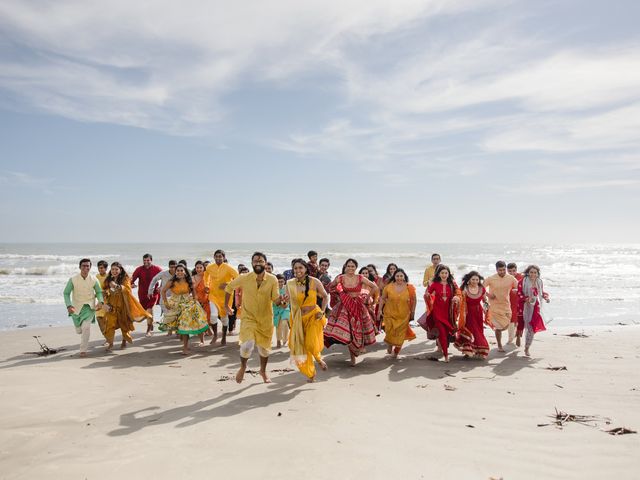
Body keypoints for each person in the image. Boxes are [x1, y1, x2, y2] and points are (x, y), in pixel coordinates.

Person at [224, 252, 285, 383]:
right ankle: (243, 366)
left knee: (264, 349)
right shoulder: (244, 277)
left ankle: (262, 371)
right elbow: (229, 287)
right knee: (247, 345)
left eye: (261, 261)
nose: (258, 263)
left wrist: (283, 302)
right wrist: (226, 306)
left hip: (265, 319)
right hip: (248, 317)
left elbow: (275, 299)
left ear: (265, 263)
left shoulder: (272, 279)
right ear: (251, 263)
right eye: (255, 261)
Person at [323, 258, 379, 366]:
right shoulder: (341, 278)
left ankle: (356, 351)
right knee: (348, 332)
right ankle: (353, 356)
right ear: (345, 266)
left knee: (357, 330)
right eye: (349, 266)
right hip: (344, 308)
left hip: (358, 306)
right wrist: (338, 295)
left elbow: (374, 287)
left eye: (353, 266)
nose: (350, 268)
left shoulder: (360, 277)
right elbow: (330, 287)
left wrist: (367, 297)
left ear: (356, 267)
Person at [287, 258, 329, 382]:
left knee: (311, 343)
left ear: (306, 269)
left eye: (300, 267)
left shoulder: (314, 282)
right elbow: (285, 302)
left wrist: (322, 311)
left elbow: (326, 296)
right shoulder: (290, 284)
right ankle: (311, 374)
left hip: (313, 316)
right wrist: (283, 301)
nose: (298, 270)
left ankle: (319, 359)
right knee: (300, 347)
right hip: (297, 318)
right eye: (295, 268)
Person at [160, 264, 209, 355]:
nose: (179, 272)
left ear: (185, 272)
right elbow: (163, 291)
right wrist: (166, 303)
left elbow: (194, 292)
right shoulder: (172, 281)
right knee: (182, 325)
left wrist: (195, 301)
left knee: (198, 321)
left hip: (188, 303)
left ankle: (199, 341)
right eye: (178, 270)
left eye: (181, 270)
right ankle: (185, 346)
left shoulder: (189, 281)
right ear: (175, 272)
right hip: (176, 303)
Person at [102, 262, 151, 351]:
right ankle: (110, 343)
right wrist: (105, 293)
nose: (114, 271)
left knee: (124, 324)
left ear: (120, 270)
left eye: (116, 269)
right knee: (109, 324)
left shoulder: (125, 279)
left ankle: (124, 341)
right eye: (112, 269)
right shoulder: (108, 279)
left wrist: (118, 286)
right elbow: (104, 289)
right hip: (111, 306)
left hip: (123, 305)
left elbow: (128, 290)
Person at [418, 264, 461, 362]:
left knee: (446, 333)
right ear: (438, 274)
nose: (444, 274)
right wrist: (427, 296)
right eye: (442, 273)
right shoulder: (435, 284)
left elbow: (458, 293)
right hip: (437, 312)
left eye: (446, 273)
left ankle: (444, 351)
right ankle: (446, 355)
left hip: (448, 314)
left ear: (449, 274)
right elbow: (427, 295)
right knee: (442, 333)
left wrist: (457, 298)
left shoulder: (452, 284)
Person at [63, 258, 104, 357]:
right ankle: (78, 327)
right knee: (79, 330)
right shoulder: (73, 279)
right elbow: (66, 293)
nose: (86, 268)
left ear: (90, 267)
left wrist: (100, 301)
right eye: (83, 266)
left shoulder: (94, 279)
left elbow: (98, 292)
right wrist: (69, 305)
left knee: (86, 328)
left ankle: (83, 350)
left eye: (87, 266)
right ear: (80, 267)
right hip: (76, 308)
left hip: (89, 308)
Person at [378, 268, 416, 358]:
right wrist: (379, 309)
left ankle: (396, 352)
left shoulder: (409, 287)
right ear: (394, 277)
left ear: (404, 277)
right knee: (389, 331)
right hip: (389, 313)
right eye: (397, 276)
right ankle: (390, 344)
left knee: (400, 335)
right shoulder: (388, 287)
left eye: (401, 276)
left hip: (403, 315)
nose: (399, 278)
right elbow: (383, 299)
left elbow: (414, 300)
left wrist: (413, 312)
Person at [204, 249, 239, 346]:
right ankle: (215, 335)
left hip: (226, 296)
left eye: (220, 256)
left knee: (224, 318)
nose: (218, 258)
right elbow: (206, 275)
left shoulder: (229, 268)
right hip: (213, 295)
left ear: (224, 258)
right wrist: (206, 285)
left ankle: (223, 337)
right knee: (213, 315)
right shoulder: (210, 267)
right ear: (214, 257)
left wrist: (228, 284)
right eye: (216, 256)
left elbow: (238, 278)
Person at [454, 271, 490, 359]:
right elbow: (459, 298)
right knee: (469, 330)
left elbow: (484, 300)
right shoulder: (464, 289)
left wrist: (487, 308)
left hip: (478, 313)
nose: (475, 281)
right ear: (468, 280)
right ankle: (468, 351)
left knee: (478, 330)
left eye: (477, 279)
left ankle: (478, 350)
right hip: (467, 313)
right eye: (473, 279)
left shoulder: (481, 288)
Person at [484, 261, 518, 352]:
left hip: (506, 305)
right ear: (496, 270)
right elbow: (481, 287)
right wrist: (488, 295)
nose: (502, 272)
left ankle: (500, 332)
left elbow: (518, 287)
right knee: (499, 328)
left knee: (506, 326)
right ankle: (499, 345)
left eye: (503, 270)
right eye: (500, 270)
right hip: (494, 306)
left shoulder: (510, 278)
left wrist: (516, 290)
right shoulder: (491, 278)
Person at [517, 265, 550, 357]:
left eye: (535, 272)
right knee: (521, 325)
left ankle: (527, 347)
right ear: (528, 272)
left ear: (537, 273)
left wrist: (546, 297)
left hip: (536, 307)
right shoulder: (522, 281)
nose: (533, 274)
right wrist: (527, 299)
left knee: (531, 328)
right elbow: (519, 294)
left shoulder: (539, 282)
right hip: (524, 306)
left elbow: (542, 293)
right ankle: (518, 336)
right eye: (531, 272)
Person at [131, 254, 162, 336]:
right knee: (146, 311)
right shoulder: (139, 269)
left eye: (148, 260)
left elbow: (164, 277)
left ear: (151, 260)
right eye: (144, 260)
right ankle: (151, 323)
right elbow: (132, 279)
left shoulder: (157, 269)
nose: (146, 262)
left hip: (153, 293)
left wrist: (161, 286)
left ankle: (148, 330)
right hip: (142, 294)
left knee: (149, 309)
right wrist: (132, 284)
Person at [148, 260, 178, 335]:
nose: (173, 269)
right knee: (167, 314)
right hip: (164, 297)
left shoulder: (179, 274)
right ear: (169, 267)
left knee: (176, 314)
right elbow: (154, 279)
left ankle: (177, 331)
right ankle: (170, 330)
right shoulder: (164, 273)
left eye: (174, 267)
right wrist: (150, 290)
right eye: (171, 267)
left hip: (175, 298)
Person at [192, 260, 212, 340]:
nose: (199, 269)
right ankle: (202, 335)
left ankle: (208, 329)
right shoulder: (193, 277)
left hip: (207, 299)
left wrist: (208, 289)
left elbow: (210, 286)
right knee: (199, 318)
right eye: (197, 267)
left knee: (208, 316)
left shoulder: (207, 276)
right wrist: (199, 280)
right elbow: (192, 289)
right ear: (195, 268)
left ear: (204, 268)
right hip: (197, 299)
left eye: (201, 267)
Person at [507, 263, 525, 346]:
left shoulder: (521, 277)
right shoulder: (506, 278)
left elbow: (525, 288)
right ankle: (510, 338)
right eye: (510, 271)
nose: (512, 273)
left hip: (519, 301)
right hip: (509, 302)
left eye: (514, 271)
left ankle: (518, 335)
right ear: (507, 271)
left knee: (518, 320)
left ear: (516, 270)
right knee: (510, 320)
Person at [273, 274, 290, 348]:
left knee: (284, 323)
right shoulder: (274, 289)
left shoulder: (287, 288)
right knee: (278, 325)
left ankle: (285, 339)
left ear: (284, 281)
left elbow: (289, 298)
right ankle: (278, 340)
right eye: (278, 282)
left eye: (282, 281)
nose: (280, 283)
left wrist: (285, 304)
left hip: (285, 308)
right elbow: (273, 300)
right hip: (276, 308)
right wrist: (279, 303)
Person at [95, 260, 109, 343]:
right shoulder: (96, 277)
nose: (100, 269)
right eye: (99, 268)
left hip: (108, 302)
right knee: (99, 318)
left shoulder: (109, 277)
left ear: (106, 268)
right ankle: (107, 338)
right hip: (100, 301)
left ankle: (108, 339)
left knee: (106, 321)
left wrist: (105, 292)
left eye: (102, 268)